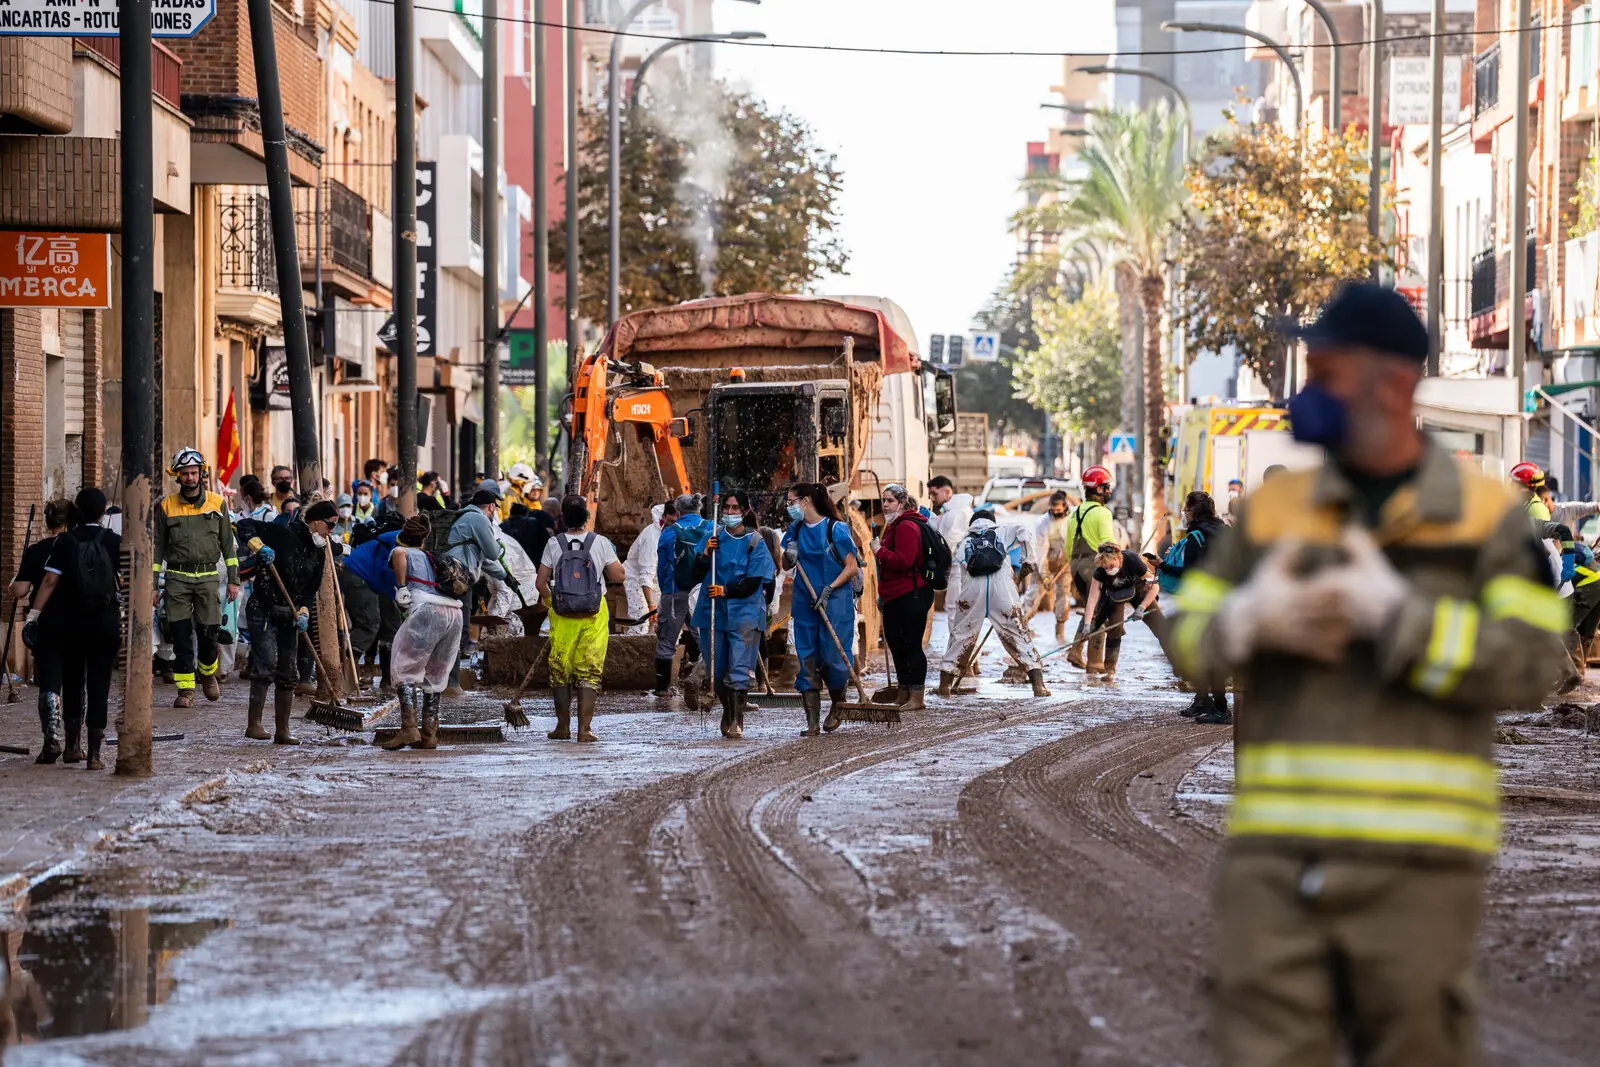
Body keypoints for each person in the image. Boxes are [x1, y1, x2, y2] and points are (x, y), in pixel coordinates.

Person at [1163, 283, 1569, 1067]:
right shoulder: (1276, 517)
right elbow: (1188, 640)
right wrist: (1245, 622)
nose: (1304, 393)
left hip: (1416, 875)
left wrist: (1403, 620)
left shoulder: (1488, 521)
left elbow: (1536, 666)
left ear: (1392, 382)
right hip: (1277, 865)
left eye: (1325, 372)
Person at [21, 487, 122, 771]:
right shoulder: (115, 541)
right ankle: (95, 755)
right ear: (103, 512)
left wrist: (34, 614)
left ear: (78, 510)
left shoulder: (65, 541)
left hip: (73, 623)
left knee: (75, 681)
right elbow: (126, 581)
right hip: (105, 621)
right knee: (100, 682)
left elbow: (50, 581)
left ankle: (71, 746)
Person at [238, 500, 341, 744]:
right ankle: (254, 725)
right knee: (266, 664)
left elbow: (311, 588)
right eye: (330, 525)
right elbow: (243, 525)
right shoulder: (283, 532)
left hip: (290, 613)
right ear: (316, 521)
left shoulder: (318, 551)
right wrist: (257, 545)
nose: (331, 531)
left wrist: (304, 610)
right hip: (263, 607)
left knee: (289, 671)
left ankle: (282, 731)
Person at [536, 495, 626, 742]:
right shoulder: (600, 542)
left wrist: (552, 602)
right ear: (587, 516)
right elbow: (619, 574)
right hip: (594, 615)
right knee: (590, 669)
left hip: (562, 615)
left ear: (562, 517)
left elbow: (540, 583)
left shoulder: (554, 544)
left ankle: (562, 727)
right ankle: (584, 730)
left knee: (560, 669)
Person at [936, 505, 1050, 699]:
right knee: (1019, 634)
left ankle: (944, 687)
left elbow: (959, 570)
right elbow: (1024, 531)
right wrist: (1027, 559)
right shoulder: (1001, 532)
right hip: (1003, 592)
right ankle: (1038, 686)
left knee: (961, 636)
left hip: (972, 593)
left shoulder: (964, 541)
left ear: (972, 524)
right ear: (992, 522)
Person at [154, 448, 239, 708]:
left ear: (201, 474)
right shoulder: (166, 506)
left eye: (194, 473)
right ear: (177, 476)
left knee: (209, 635)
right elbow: (158, 547)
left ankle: (207, 673)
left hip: (208, 577)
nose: (190, 477)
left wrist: (233, 580)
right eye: (185, 474)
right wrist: (152, 584)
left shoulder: (217, 503)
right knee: (180, 636)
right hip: (177, 579)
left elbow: (228, 544)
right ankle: (185, 691)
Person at [689, 491, 775, 738]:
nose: (729, 512)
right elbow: (694, 573)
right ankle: (727, 711)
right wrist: (706, 554)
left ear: (745, 511)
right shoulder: (712, 537)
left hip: (744, 613)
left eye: (735, 508)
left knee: (738, 668)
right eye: (726, 508)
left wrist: (726, 590)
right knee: (717, 668)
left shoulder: (754, 542)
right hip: (713, 612)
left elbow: (754, 582)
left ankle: (737, 719)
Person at [780, 482, 862, 735]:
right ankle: (812, 723)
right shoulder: (795, 529)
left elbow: (852, 566)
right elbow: (785, 564)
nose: (789, 506)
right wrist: (789, 555)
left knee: (833, 658)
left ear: (806, 501)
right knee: (807, 658)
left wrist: (830, 588)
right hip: (805, 603)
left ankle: (838, 704)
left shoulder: (836, 529)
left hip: (835, 602)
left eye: (791, 501)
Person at [382, 513, 464, 750]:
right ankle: (430, 734)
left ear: (402, 536)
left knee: (403, 666)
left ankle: (409, 729)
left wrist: (401, 588)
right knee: (435, 672)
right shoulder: (433, 557)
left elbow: (398, 554)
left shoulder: (403, 552)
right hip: (453, 613)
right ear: (425, 538)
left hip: (427, 611)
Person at [1158, 490, 1231, 721]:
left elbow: (1189, 574)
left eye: (1186, 511)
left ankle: (1219, 709)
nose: (1184, 515)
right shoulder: (1225, 532)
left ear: (1193, 512)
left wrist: (1161, 565)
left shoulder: (1196, 537)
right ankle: (1204, 701)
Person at [9, 499, 71, 763]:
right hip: (79, 621)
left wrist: (12, 582)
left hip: (46, 622)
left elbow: (20, 590)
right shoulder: (79, 547)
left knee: (50, 681)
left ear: (48, 521)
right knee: (76, 682)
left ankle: (52, 738)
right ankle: (76, 742)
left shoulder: (36, 551)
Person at [874, 483, 935, 709]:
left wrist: (880, 551)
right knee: (896, 644)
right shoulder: (894, 526)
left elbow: (904, 561)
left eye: (890, 501)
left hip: (912, 595)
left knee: (911, 645)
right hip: (894, 596)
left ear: (901, 503)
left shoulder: (907, 526)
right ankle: (903, 692)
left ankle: (917, 697)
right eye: (884, 500)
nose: (885, 505)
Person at [1080, 542, 1162, 686]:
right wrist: (1087, 625)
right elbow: (1092, 599)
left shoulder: (1132, 560)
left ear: (1119, 559)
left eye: (1111, 566)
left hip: (1138, 590)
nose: (1108, 570)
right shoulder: (1100, 572)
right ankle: (1110, 670)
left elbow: (1155, 585)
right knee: (1114, 629)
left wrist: (1142, 607)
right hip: (1115, 596)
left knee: (1161, 627)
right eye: (1105, 567)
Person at [1062, 466, 1118, 671]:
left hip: (1076, 566)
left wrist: (1072, 568)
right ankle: (1095, 663)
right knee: (1100, 613)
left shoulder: (1074, 513)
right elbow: (1107, 544)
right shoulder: (1103, 513)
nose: (1109, 491)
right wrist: (1114, 569)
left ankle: (1075, 651)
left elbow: (1068, 546)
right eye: (1106, 487)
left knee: (1089, 611)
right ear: (1098, 489)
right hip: (1093, 566)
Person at [655, 493, 710, 700]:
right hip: (703, 593)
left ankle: (662, 688)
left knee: (667, 641)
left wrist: (665, 591)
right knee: (706, 638)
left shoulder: (669, 533)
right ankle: (705, 682)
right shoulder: (711, 528)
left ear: (678, 512)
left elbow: (661, 567)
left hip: (674, 591)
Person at [340, 518, 403, 689]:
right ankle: (346, 674)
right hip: (358, 575)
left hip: (372, 580)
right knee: (370, 623)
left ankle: (388, 679)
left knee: (392, 626)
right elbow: (390, 577)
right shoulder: (399, 540)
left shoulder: (400, 543)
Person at [1034, 490, 1075, 639]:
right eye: (1053, 510)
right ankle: (1022, 628)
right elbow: (1041, 552)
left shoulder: (1073, 518)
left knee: (1063, 599)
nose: (1056, 513)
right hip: (1044, 560)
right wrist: (1045, 575)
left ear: (1065, 506)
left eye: (1059, 510)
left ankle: (1060, 636)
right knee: (1033, 597)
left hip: (1065, 562)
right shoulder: (1043, 524)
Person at [624, 502, 667, 636]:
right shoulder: (652, 538)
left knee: (664, 623)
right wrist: (651, 605)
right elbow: (645, 574)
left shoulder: (672, 534)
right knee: (641, 620)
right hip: (636, 579)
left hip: (658, 581)